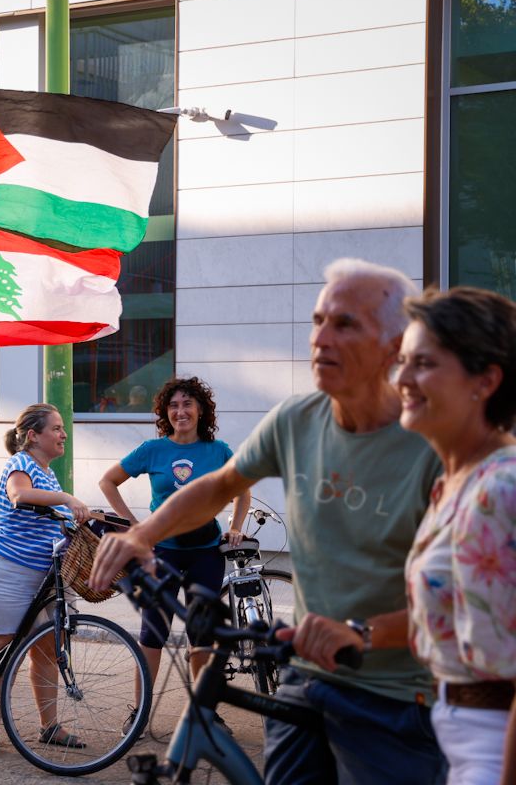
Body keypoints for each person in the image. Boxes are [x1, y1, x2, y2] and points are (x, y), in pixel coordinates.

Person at [90, 257, 448, 785]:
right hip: (306, 675)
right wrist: (141, 534)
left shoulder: (433, 445)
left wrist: (358, 633)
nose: (321, 338)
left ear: (395, 347)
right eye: (318, 321)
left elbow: (456, 601)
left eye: (345, 324)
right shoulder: (296, 420)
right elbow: (219, 486)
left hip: (392, 695)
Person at [398, 287, 516, 784]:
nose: (402, 379)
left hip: (494, 744)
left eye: (424, 363)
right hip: (454, 732)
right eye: (403, 361)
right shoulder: (454, 481)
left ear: (486, 380)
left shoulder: (503, 488)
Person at [98, 376, 249, 733]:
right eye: (173, 405)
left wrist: (235, 526)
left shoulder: (218, 450)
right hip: (161, 552)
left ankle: (204, 712)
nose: (180, 411)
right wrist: (134, 525)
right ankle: (140, 713)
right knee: (153, 633)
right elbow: (108, 481)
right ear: (166, 412)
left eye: (187, 404)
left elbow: (242, 489)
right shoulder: (153, 449)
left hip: (206, 553)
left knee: (202, 636)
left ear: (201, 410)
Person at [0, 403, 91, 757]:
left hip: (43, 577)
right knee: (1, 653)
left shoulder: (47, 473)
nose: (63, 434)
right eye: (56, 428)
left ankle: (49, 726)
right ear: (33, 436)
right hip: (8, 571)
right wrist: (67, 498)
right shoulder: (20, 465)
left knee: (48, 651)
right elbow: (19, 495)